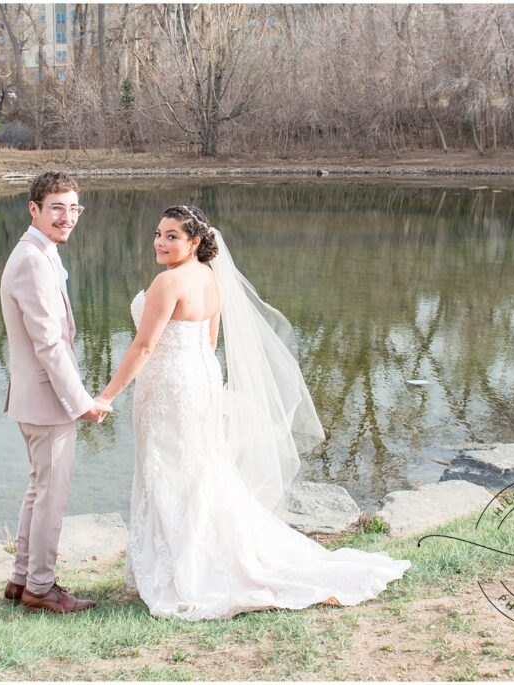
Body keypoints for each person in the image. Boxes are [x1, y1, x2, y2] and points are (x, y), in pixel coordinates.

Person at [95, 205, 411, 620]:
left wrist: (106, 396)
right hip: (199, 380)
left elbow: (144, 347)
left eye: (172, 236)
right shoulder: (210, 278)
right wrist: (196, 381)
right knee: (199, 471)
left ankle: (184, 570)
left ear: (194, 242)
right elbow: (210, 340)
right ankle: (196, 557)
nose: (160, 241)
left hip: (169, 388)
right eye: (158, 233)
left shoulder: (168, 282)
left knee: (169, 472)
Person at [0, 171, 112, 614]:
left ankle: (21, 579)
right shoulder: (31, 259)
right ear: (35, 210)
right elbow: (48, 341)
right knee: (52, 495)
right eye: (57, 208)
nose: (67, 218)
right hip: (47, 400)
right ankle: (41, 589)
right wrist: (81, 401)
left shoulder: (39, 253)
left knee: (38, 489)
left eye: (74, 208)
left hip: (35, 396)